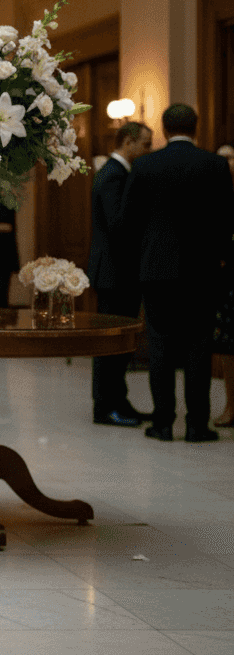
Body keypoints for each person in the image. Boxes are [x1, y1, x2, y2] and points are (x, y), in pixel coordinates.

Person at [121, 104, 234, 442]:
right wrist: (222, 261)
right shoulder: (214, 165)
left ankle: (164, 423)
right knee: (199, 345)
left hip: (157, 269)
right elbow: (228, 219)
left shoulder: (144, 165)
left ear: (165, 129)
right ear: (195, 128)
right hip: (202, 270)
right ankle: (198, 425)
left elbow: (128, 220)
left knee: (160, 346)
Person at [87, 122, 153, 427]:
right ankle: (107, 406)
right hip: (116, 271)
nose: (147, 150)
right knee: (111, 345)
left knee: (118, 344)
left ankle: (119, 401)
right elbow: (117, 225)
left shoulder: (115, 172)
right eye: (145, 143)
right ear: (128, 142)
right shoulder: (114, 174)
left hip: (115, 270)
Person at [213, 145, 234, 427]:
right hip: (226, 277)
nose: (227, 162)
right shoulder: (215, 194)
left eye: (231, 156)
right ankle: (231, 406)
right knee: (228, 346)